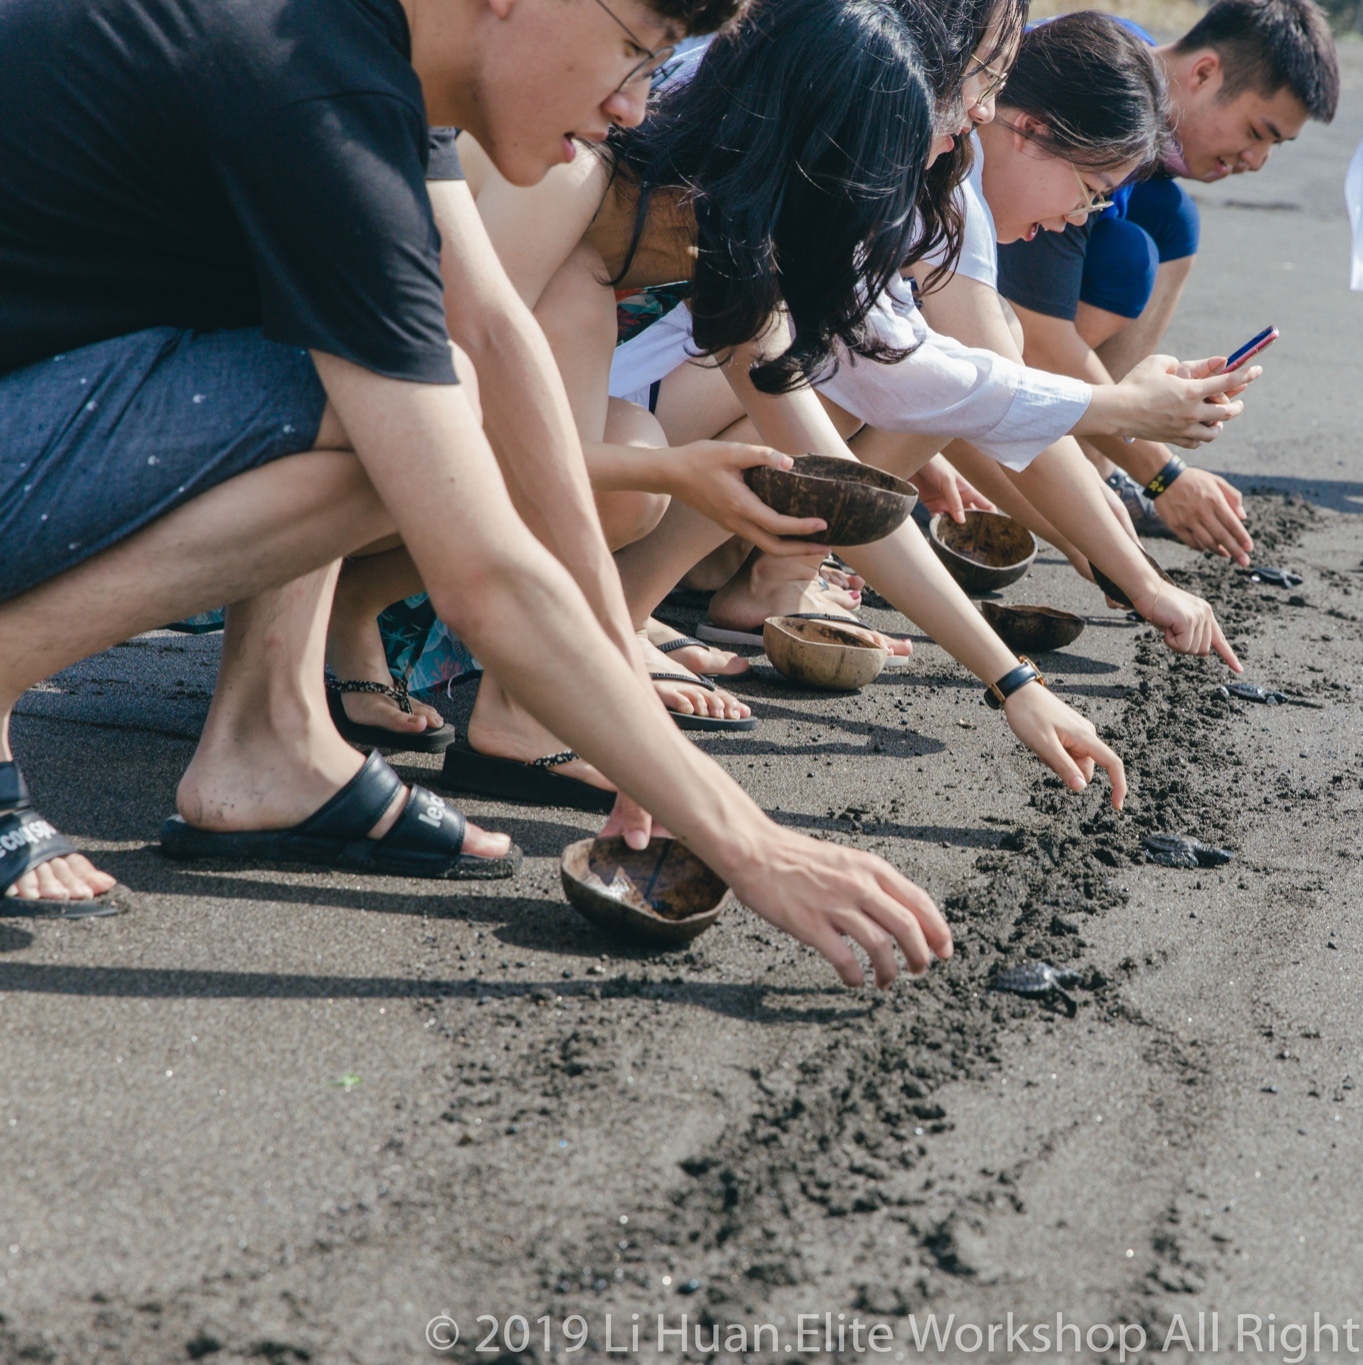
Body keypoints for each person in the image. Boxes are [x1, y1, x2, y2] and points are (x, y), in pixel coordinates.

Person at [0, 0, 952, 990]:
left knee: (418, 387)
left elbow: (497, 335)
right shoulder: (314, 80)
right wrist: (750, 842)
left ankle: (269, 744)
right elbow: (483, 574)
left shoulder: (352, 47)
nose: (635, 109)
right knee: (395, 413)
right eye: (635, 52)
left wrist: (617, 692)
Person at [334, 0, 1130, 813]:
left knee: (629, 454)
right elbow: (404, 415)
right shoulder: (568, 182)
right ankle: (441, 667)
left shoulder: (725, 249)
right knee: (633, 470)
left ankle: (425, 648)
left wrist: (1012, 681)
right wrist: (672, 494)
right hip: (311, 444)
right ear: (814, 161)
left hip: (413, 457)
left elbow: (842, 491)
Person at [618, 9, 1252, 669]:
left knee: (881, 369)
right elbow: (962, 387)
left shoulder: (903, 137)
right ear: (1026, 127)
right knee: (851, 369)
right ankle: (635, 604)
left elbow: (978, 394)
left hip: (650, 399)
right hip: (626, 427)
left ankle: (700, 584)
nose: (972, 117)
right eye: (982, 84)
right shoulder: (916, 156)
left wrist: (1108, 554)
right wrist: (1133, 570)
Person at [995, 0, 1341, 562]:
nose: (1257, 160)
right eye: (1259, 132)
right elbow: (1041, 339)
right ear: (1204, 72)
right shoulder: (1103, 99)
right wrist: (1166, 477)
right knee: (1127, 257)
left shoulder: (1146, 70)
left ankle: (1095, 467)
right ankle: (1023, 459)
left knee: (1169, 220)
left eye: (1275, 146)